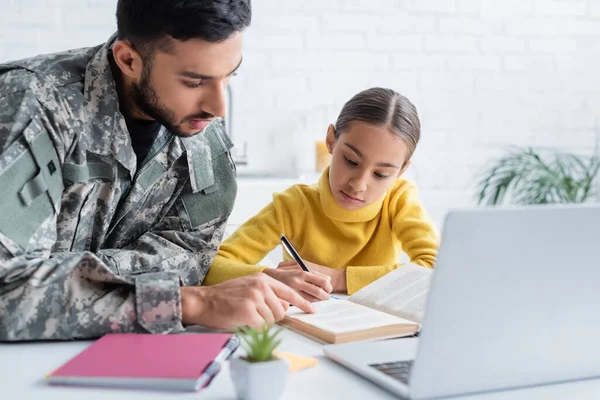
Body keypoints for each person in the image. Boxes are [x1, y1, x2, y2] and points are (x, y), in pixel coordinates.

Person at [0, 0, 315, 342]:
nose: (218, 108)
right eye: (194, 82)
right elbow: (6, 288)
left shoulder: (204, 139)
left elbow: (192, 257)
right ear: (128, 60)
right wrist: (184, 302)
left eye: (229, 76)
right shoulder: (32, 104)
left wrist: (63, 285)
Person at [204, 87, 440, 300]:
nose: (359, 184)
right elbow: (211, 267)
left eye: (380, 175)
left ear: (401, 171)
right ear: (331, 141)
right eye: (350, 160)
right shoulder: (294, 204)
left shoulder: (400, 198)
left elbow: (434, 269)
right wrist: (272, 277)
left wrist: (338, 279)